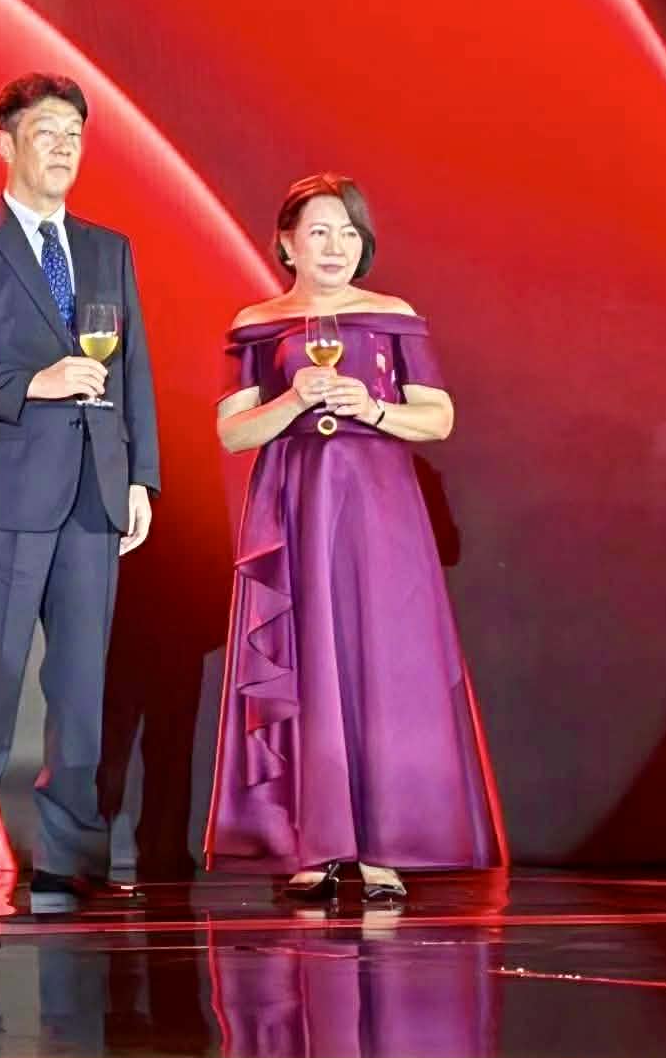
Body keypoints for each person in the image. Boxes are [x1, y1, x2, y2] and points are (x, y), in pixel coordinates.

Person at [206, 173, 502, 900]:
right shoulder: (260, 323)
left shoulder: (391, 317)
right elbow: (233, 431)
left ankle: (383, 846)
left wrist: (371, 408)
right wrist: (292, 400)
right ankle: (311, 843)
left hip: (378, 508)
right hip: (293, 506)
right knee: (306, 658)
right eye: (318, 232)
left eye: (348, 233)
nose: (335, 247)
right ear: (287, 243)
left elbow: (437, 417)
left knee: (380, 659)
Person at [0, 72, 160, 913]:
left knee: (82, 686)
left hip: (95, 491)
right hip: (3, 497)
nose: (63, 148)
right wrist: (34, 382)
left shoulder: (107, 249)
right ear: (6, 144)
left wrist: (140, 476)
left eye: (74, 135)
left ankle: (69, 857)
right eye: (46, 132)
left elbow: (133, 370)